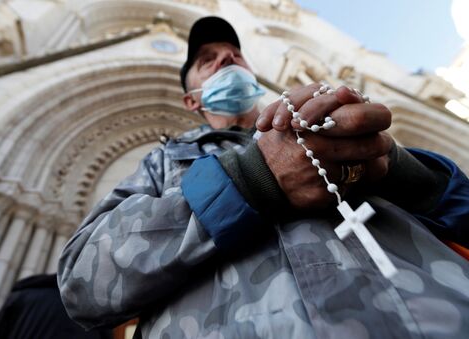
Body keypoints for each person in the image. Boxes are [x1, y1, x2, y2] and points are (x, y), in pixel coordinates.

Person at [58, 16, 469, 338]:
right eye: (208, 61)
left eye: (235, 55)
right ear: (191, 100)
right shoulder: (162, 162)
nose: (227, 60)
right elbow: (81, 282)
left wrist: (400, 168)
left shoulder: (327, 124)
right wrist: (252, 178)